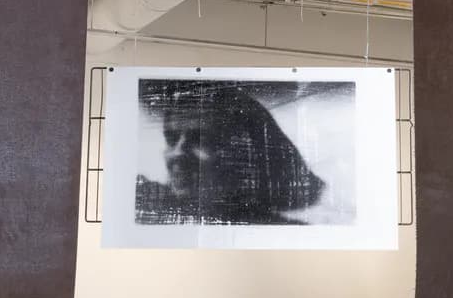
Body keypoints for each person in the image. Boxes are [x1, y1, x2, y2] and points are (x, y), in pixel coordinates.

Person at [135, 81, 324, 225]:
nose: (177, 153)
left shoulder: (291, 235)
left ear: (248, 155)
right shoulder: (147, 213)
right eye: (172, 139)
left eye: (202, 140)